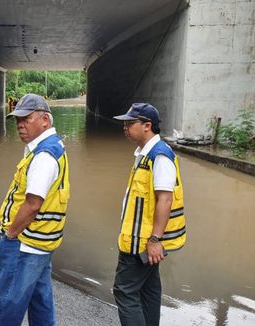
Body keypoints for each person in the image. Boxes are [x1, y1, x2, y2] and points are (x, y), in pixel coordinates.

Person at [0, 94, 71, 326]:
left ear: (45, 120)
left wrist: (11, 234)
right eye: (17, 121)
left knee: (5, 303)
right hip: (42, 242)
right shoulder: (51, 147)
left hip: (26, 242)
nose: (20, 126)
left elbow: (33, 204)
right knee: (40, 299)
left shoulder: (44, 155)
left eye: (26, 119)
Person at [112, 103, 187, 326]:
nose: (125, 127)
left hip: (142, 243)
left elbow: (165, 199)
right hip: (141, 239)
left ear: (147, 126)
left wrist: (155, 240)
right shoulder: (145, 155)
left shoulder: (159, 156)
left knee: (124, 291)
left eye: (130, 123)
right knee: (148, 290)